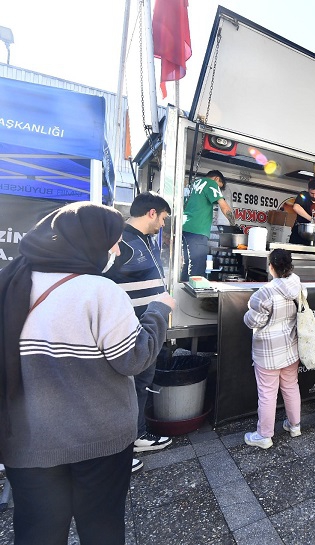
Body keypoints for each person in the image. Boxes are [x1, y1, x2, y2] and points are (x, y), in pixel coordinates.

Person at [0, 202, 174, 545]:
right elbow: (134, 358)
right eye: (112, 240)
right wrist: (157, 311)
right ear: (89, 242)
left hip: (28, 443)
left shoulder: (11, 283)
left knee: (37, 532)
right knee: (101, 528)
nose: (117, 249)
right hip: (98, 441)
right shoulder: (98, 291)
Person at [105, 192, 173, 472]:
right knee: (124, 391)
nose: (163, 225)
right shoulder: (121, 241)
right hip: (128, 329)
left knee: (142, 384)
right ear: (152, 213)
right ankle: (116, 453)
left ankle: (139, 435)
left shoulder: (147, 240)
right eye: (164, 219)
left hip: (149, 329)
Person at [243, 249, 302, 448]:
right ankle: (295, 426)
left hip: (268, 352)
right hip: (291, 348)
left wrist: (247, 313)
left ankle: (264, 436)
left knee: (268, 393)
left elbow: (252, 322)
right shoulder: (297, 285)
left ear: (271, 267)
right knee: (291, 386)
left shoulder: (265, 292)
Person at [181, 169, 234, 280]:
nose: (218, 189)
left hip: (185, 230)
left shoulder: (193, 184)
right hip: (197, 231)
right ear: (216, 179)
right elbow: (224, 206)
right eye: (219, 187)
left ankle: (181, 294)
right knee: (197, 269)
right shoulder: (211, 183)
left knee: (187, 266)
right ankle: (193, 297)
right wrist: (233, 224)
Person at [289, 179, 315, 245]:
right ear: (308, 190)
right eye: (312, 193)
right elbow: (296, 207)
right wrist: (311, 219)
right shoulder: (303, 196)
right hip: (299, 233)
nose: (314, 196)